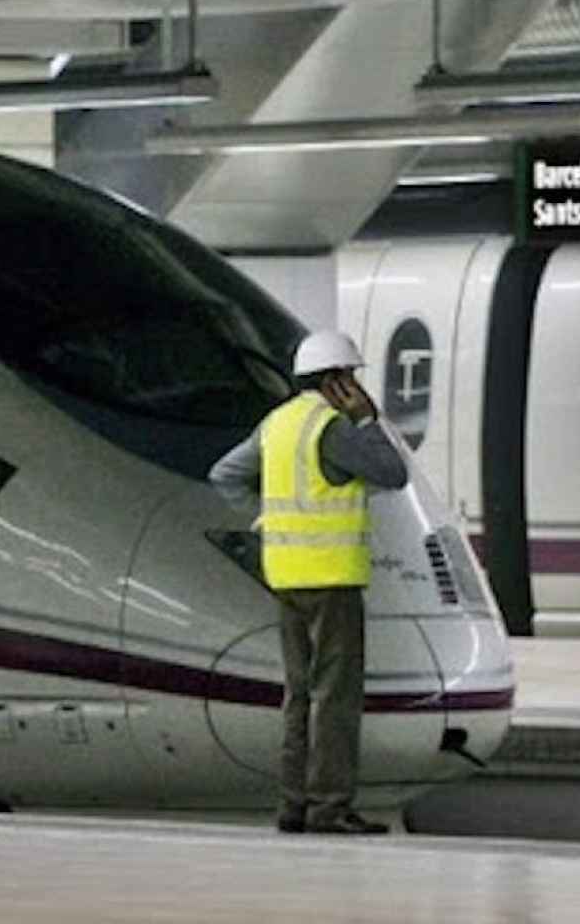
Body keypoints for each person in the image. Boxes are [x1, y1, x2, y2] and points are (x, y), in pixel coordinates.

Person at [208, 331, 408, 834]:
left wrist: (267, 520)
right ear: (338, 380)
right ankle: (329, 808)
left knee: (298, 695)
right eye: (353, 377)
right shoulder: (334, 429)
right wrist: (366, 419)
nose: (360, 388)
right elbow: (392, 472)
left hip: (286, 577)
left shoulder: (276, 425)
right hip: (331, 579)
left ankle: (293, 805)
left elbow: (224, 475)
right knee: (334, 697)